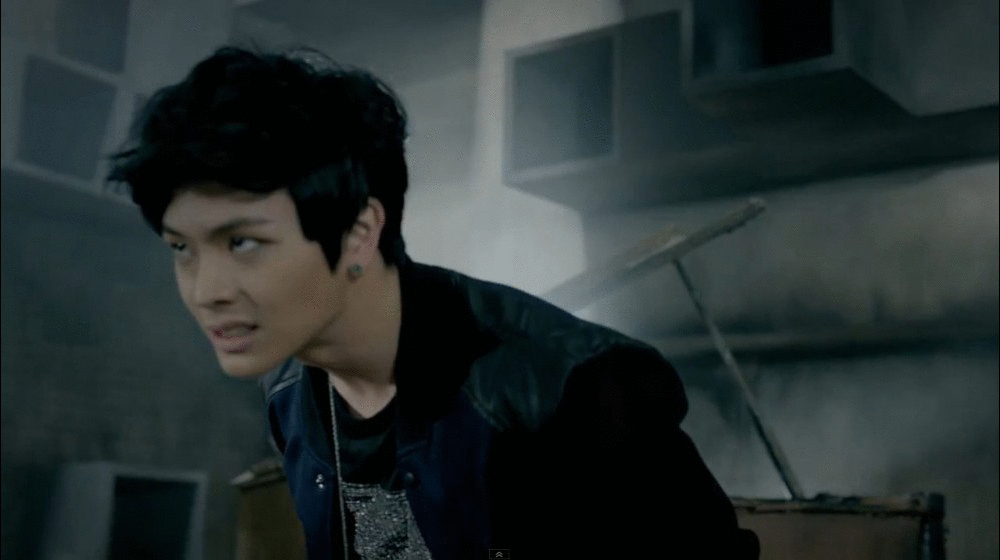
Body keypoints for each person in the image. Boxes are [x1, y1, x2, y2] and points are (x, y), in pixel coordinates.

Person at [107, 46, 760, 560]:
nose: (206, 290)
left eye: (243, 242)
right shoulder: (289, 392)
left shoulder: (569, 389)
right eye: (181, 248)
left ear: (358, 231)